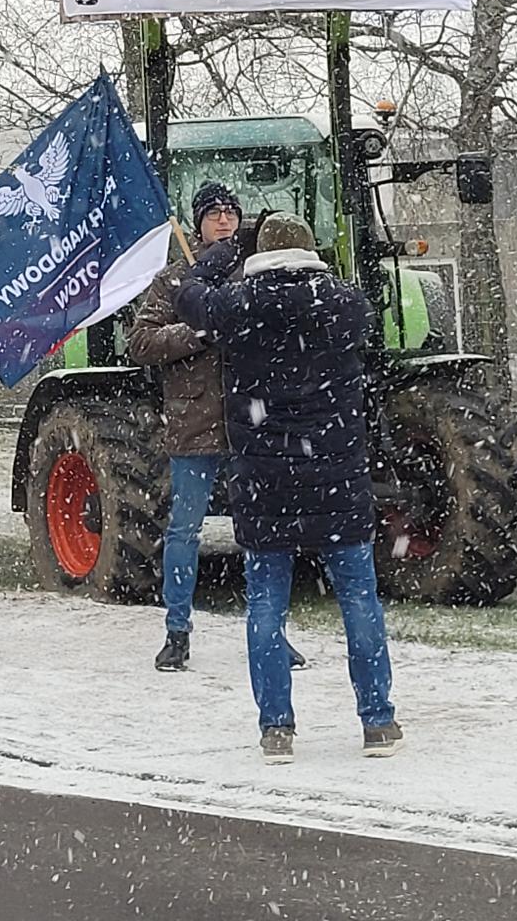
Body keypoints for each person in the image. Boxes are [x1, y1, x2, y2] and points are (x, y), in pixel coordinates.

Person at [176, 212, 400, 764]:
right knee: (359, 601)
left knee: (267, 606)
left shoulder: (238, 305)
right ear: (311, 250)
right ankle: (378, 721)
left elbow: (189, 297)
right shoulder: (344, 303)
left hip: (263, 481)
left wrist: (222, 254)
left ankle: (277, 727)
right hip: (337, 478)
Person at [128, 182, 243, 669]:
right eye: (214, 212)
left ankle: (272, 629)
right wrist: (198, 331)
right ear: (196, 221)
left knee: (261, 533)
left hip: (248, 425)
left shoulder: (250, 275)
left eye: (230, 212)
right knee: (184, 532)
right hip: (193, 423)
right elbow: (142, 342)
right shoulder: (175, 279)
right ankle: (177, 630)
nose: (223, 220)